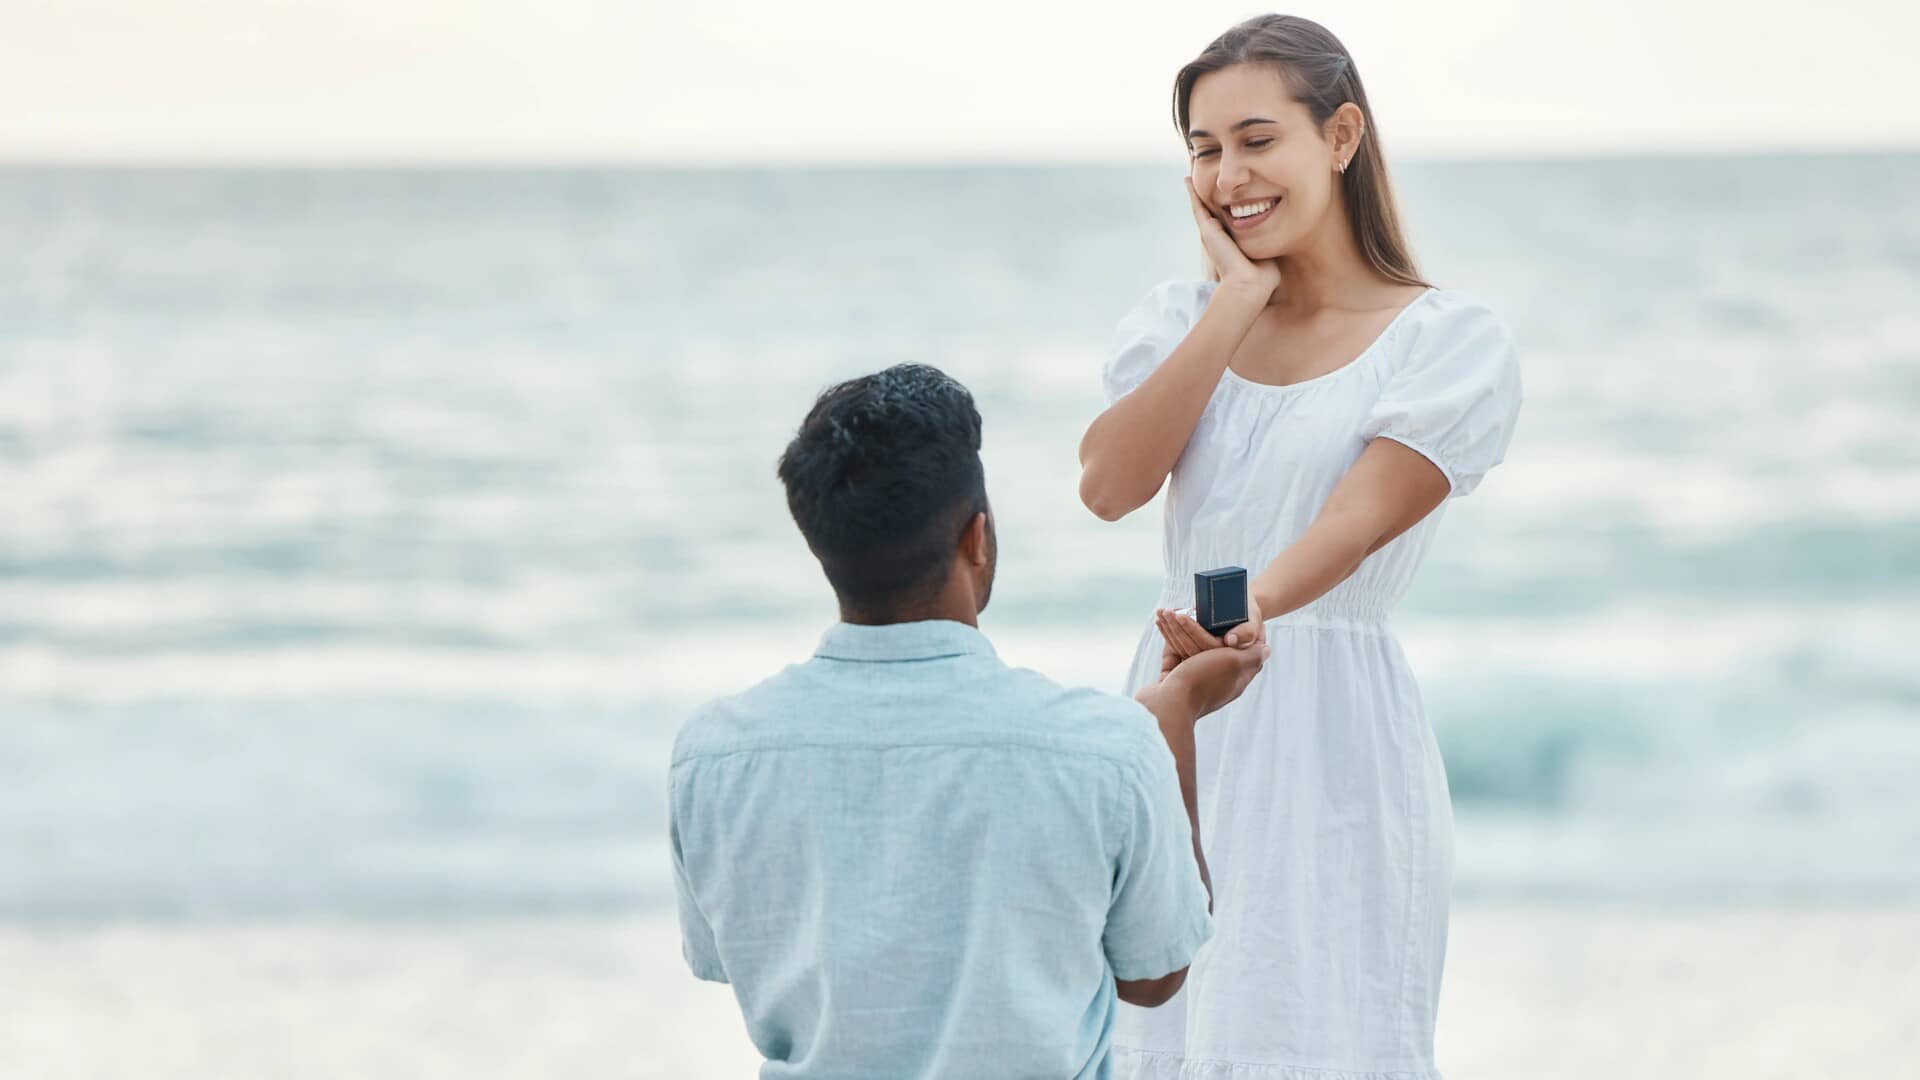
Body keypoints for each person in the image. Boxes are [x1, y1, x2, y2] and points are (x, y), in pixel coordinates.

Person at [1076, 15, 1523, 1080]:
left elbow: (1357, 521)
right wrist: (1236, 302)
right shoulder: (1179, 321)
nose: (1229, 174)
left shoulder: (1446, 341)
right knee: (1166, 1032)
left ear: (1341, 135)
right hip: (1179, 709)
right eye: (1203, 147)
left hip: (1329, 730)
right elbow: (1109, 486)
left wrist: (1242, 616)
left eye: (1256, 138)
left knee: (1317, 1025)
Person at [670, 363, 1270, 1078]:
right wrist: (1172, 719)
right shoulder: (1103, 748)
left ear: (821, 544)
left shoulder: (715, 754)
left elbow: (726, 957)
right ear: (976, 538)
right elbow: (1155, 973)